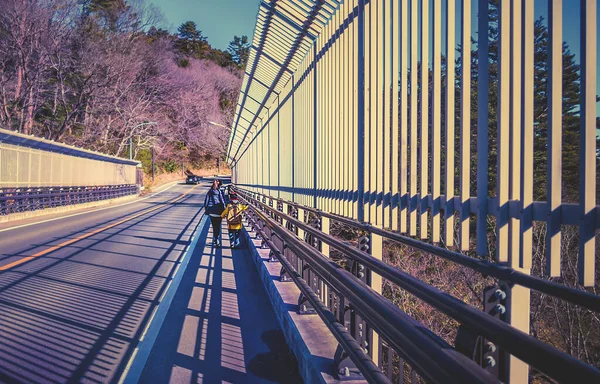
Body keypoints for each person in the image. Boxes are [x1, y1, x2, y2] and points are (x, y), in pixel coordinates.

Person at [204, 179, 226, 247]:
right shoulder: (220, 192)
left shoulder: (210, 192)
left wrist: (207, 209)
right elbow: (222, 201)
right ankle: (217, 239)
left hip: (212, 212)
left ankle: (215, 238)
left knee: (214, 226)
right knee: (218, 226)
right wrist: (224, 210)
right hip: (219, 212)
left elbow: (206, 202)